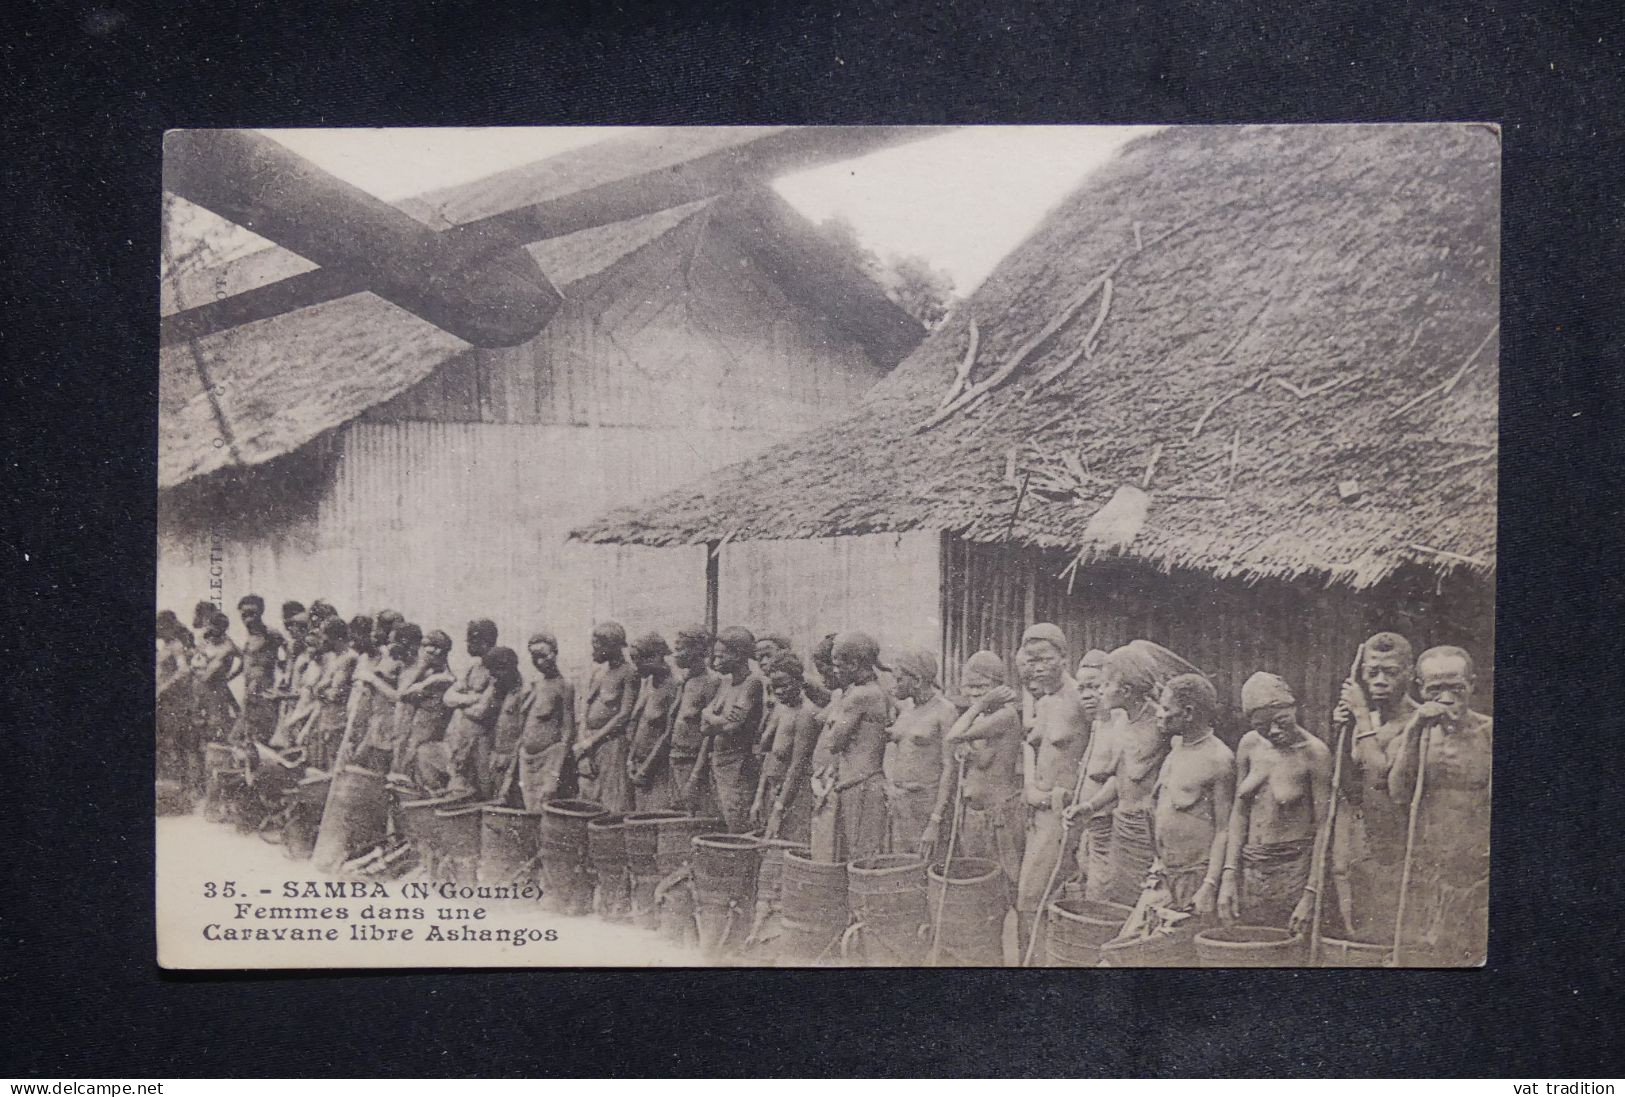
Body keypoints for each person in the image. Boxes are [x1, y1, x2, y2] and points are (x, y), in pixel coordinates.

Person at [1068, 640, 1199, 908]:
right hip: (1122, 824)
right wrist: (1090, 806)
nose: (1101, 691)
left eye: (1105, 685)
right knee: (1116, 899)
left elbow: (1151, 775)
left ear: (1126, 691)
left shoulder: (1158, 724)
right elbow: (1121, 779)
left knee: (1144, 905)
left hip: (1150, 829)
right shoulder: (1122, 720)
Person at [1385, 645, 1490, 966]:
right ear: (1420, 688)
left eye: (1456, 688)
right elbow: (1399, 794)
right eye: (1435, 690)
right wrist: (1415, 730)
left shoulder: (1490, 735)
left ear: (1472, 684)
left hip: (1477, 872)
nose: (1446, 698)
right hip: (1426, 870)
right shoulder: (1411, 735)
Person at [1219, 672, 1333, 931]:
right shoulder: (1249, 745)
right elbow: (1239, 813)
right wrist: (1228, 875)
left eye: (1282, 721)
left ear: (1294, 708)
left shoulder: (1314, 754)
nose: (1273, 731)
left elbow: (1324, 826)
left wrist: (1310, 893)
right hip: (1250, 872)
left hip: (1292, 872)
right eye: (1262, 726)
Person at [1329, 631, 1419, 939]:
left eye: (1390, 672)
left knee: (1387, 933)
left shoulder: (1417, 724)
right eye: (1372, 672)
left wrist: (1361, 718)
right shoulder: (1365, 720)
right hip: (1359, 844)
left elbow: (1380, 778)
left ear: (1409, 674)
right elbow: (1348, 784)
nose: (1380, 680)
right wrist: (1344, 728)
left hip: (1395, 846)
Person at [1012, 623, 1090, 955]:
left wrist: (1075, 803)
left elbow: (1103, 754)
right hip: (1037, 814)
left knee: (1033, 897)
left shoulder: (1082, 700)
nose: (1037, 667)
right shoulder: (1043, 701)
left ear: (1064, 657)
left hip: (1064, 817)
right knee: (1030, 899)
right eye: (1030, 661)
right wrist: (1031, 787)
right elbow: (1031, 746)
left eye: (1044, 659)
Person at [1143, 674, 1234, 915]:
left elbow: (1225, 829)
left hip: (1195, 878)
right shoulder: (1175, 748)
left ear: (1189, 713)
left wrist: (1209, 885)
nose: (1159, 714)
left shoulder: (1218, 759)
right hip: (1164, 874)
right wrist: (1157, 862)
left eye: (1165, 708)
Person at [942, 652, 1026, 894]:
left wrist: (979, 704)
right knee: (979, 884)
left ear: (998, 688)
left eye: (982, 687)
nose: (974, 693)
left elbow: (953, 736)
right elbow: (977, 756)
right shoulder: (981, 717)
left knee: (1009, 884)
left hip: (999, 817)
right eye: (969, 687)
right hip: (974, 816)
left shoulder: (1005, 716)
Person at [810, 631, 890, 862]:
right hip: (858, 782)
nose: (834, 671)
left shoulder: (860, 696)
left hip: (861, 784)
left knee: (860, 855)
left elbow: (834, 742)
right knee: (855, 852)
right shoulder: (869, 691)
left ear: (854, 664)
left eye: (837, 665)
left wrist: (834, 717)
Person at [883, 649, 958, 858]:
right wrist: (890, 785)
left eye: (899, 680)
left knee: (926, 869)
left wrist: (935, 820)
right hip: (899, 804)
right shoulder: (906, 710)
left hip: (926, 805)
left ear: (916, 680)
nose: (893, 686)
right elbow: (895, 748)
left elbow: (949, 767)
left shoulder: (945, 711)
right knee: (899, 868)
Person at [701, 626, 767, 831]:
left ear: (738, 656)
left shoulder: (752, 682)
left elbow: (734, 725)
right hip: (720, 761)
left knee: (739, 820)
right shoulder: (726, 683)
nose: (715, 662)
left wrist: (711, 718)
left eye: (721, 656)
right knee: (724, 819)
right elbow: (705, 724)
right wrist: (715, 719)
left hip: (738, 764)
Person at [755, 651, 821, 845]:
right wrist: (759, 797)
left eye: (785, 685)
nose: (780, 691)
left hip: (794, 796)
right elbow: (770, 757)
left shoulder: (805, 714)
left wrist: (779, 808)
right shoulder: (781, 709)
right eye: (775, 687)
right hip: (774, 792)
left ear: (799, 681)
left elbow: (797, 766)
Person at [430, 620, 502, 798]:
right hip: (462, 738)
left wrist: (461, 705)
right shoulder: (473, 668)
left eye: (471, 640)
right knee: (459, 784)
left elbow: (482, 711)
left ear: (484, 642)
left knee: (483, 788)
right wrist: (472, 698)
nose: (467, 644)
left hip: (483, 740)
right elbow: (448, 697)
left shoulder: (497, 669)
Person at [1067, 648, 1117, 895]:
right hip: (1089, 826)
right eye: (1081, 689)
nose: (1087, 695)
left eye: (1094, 687)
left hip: (1110, 827)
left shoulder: (1120, 725)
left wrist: (1090, 807)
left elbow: (1119, 780)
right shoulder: (1098, 724)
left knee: (1101, 894)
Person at [577, 621, 637, 812]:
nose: (593, 651)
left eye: (597, 647)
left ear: (612, 646)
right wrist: (583, 739)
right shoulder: (599, 672)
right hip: (589, 744)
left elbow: (623, 715)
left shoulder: (628, 673)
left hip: (611, 745)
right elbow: (585, 706)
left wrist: (593, 740)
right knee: (588, 797)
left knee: (612, 800)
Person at [514, 632, 577, 810]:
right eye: (534, 656)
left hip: (548, 762)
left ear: (554, 653)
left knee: (546, 810)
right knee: (530, 810)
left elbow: (568, 731)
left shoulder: (564, 686)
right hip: (527, 761)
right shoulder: (535, 686)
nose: (539, 661)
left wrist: (554, 774)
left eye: (544, 655)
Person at [668, 626, 722, 816]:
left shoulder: (711, 681)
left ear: (698, 650)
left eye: (681, 649)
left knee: (697, 817)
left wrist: (695, 775)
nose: (676, 654)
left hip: (694, 764)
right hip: (675, 759)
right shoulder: (685, 681)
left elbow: (710, 733)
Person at [353, 622, 419, 771]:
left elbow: (398, 696)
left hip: (400, 730)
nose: (389, 647)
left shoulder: (416, 670)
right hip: (382, 725)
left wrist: (373, 679)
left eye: (392, 642)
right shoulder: (399, 664)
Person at [626, 632, 680, 811]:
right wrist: (631, 758)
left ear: (655, 657)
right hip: (639, 767)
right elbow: (640, 723)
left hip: (658, 770)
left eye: (639, 661)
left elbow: (668, 734)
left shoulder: (674, 687)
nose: (635, 668)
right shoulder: (649, 683)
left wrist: (647, 768)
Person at [399, 630, 455, 787]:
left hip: (428, 738)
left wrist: (421, 666)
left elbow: (402, 693)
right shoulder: (432, 677)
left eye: (425, 646)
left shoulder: (441, 679)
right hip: (420, 734)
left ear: (437, 650)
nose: (421, 651)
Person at [234, 595, 284, 747]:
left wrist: (285, 678)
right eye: (244, 615)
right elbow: (244, 663)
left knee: (261, 740)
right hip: (249, 694)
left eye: (252, 613)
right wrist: (228, 677)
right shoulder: (249, 638)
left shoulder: (271, 634)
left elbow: (290, 655)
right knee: (243, 739)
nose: (248, 619)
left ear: (261, 611)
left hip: (264, 695)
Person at [308, 617, 356, 771]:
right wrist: (322, 692)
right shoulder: (330, 657)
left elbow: (336, 694)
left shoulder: (349, 658)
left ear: (334, 637)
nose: (321, 640)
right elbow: (319, 688)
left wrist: (321, 692)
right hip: (326, 717)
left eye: (323, 635)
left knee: (336, 765)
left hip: (339, 721)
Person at [156, 611, 196, 785]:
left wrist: (164, 687)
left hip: (174, 699)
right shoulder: (164, 646)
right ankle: (174, 779)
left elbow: (184, 670)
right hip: (163, 700)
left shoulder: (175, 645)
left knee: (177, 739)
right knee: (166, 739)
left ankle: (184, 782)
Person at [335, 614, 378, 766]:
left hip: (367, 724)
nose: (352, 643)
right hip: (353, 721)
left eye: (356, 638)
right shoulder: (361, 658)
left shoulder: (378, 660)